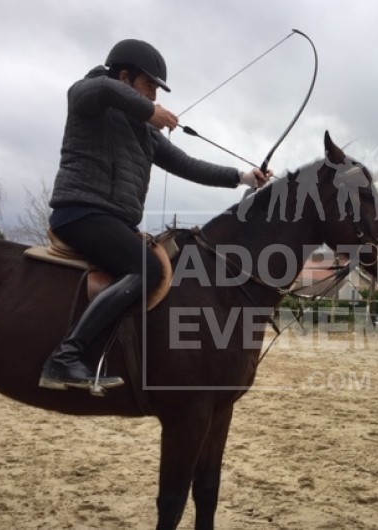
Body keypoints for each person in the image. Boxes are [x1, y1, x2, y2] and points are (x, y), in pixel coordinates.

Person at [38, 39, 270, 391]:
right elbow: (102, 88)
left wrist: (241, 178)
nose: (154, 98)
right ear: (125, 76)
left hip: (115, 222)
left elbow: (186, 164)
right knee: (146, 270)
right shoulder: (88, 97)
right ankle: (66, 356)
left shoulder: (143, 131)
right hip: (80, 212)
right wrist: (149, 112)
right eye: (149, 87)